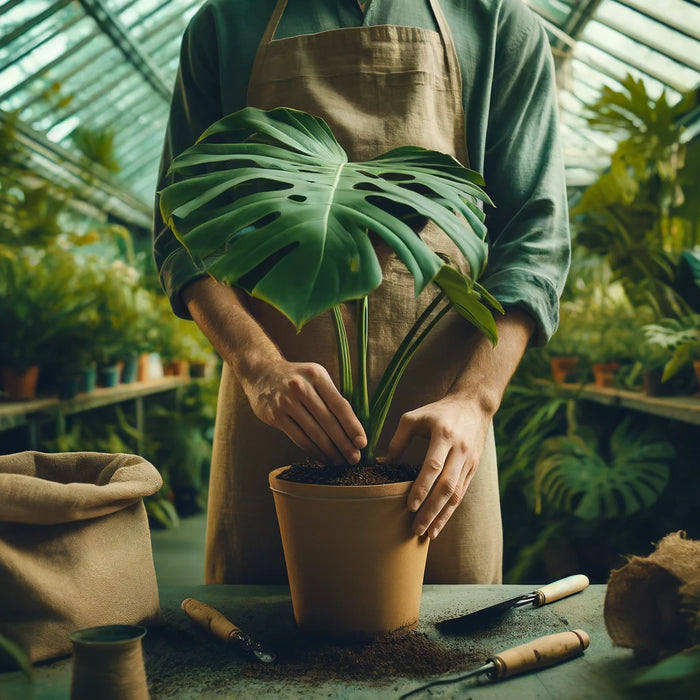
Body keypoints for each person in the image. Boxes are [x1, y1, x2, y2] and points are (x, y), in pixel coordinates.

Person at [153, 0, 571, 585]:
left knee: (447, 647)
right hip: (274, 418)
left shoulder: (497, 20)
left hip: (443, 432)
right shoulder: (225, 24)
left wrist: (476, 400)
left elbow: (535, 237)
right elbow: (181, 237)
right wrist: (259, 368)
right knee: (259, 648)